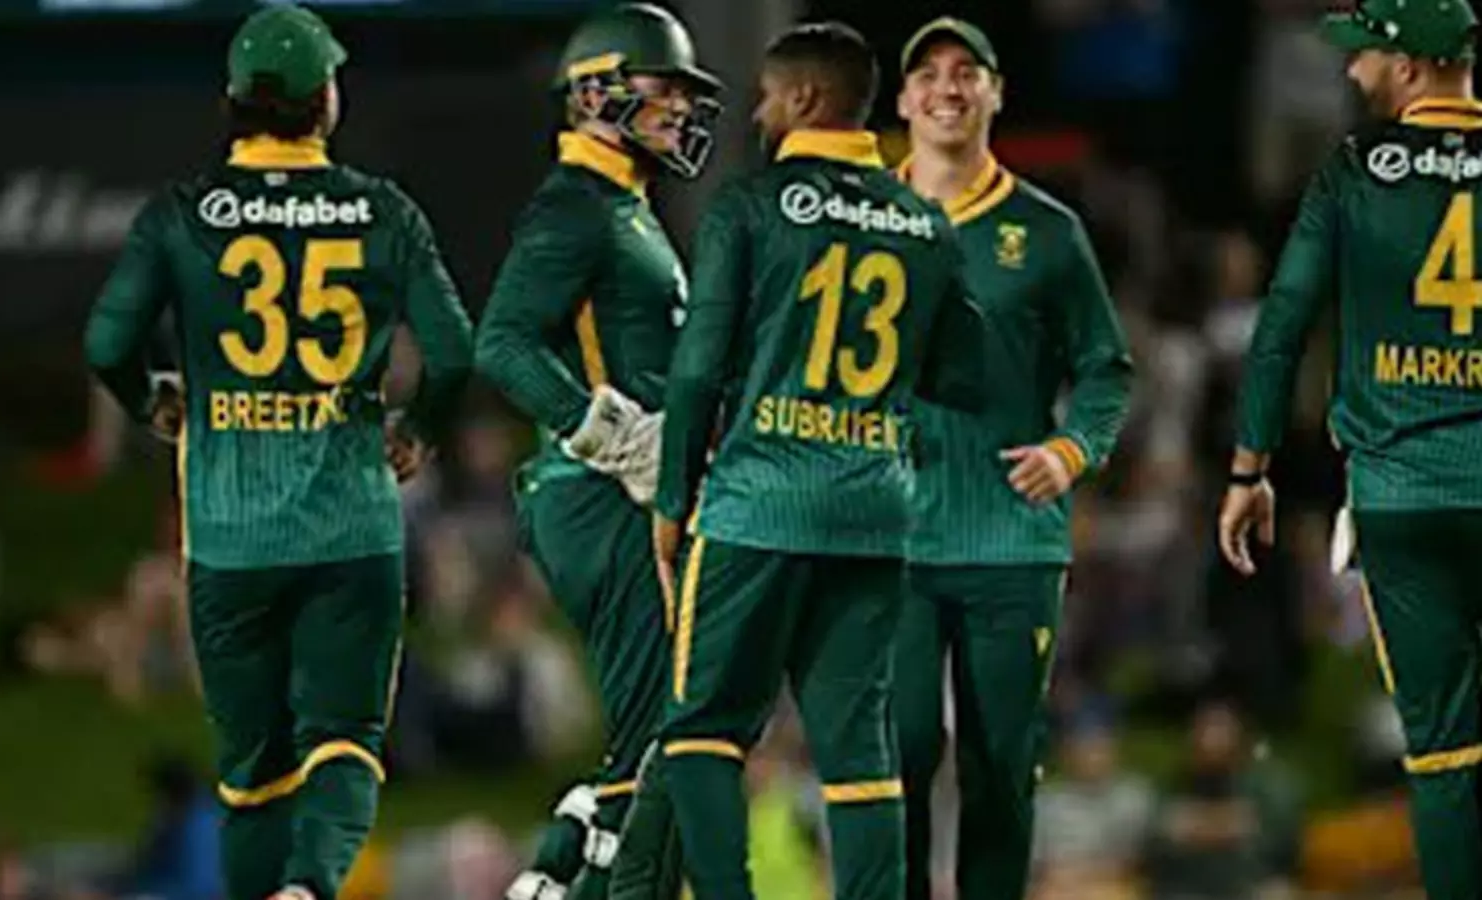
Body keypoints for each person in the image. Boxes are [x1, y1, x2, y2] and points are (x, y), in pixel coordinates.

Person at [82, 6, 474, 899]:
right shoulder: (385, 212)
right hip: (351, 526)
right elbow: (454, 353)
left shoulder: (181, 216)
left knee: (252, 775)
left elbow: (107, 343)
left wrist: (151, 401)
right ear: (325, 100)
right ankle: (310, 886)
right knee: (345, 742)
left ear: (233, 101)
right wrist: (418, 429)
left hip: (229, 538)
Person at [637, 21, 988, 900]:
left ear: (802, 98)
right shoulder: (925, 223)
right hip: (873, 512)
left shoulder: (748, 207)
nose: (758, 113)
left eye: (765, 96)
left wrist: (672, 498)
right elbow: (967, 374)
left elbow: (698, 367)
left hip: (758, 504)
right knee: (858, 742)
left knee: (703, 729)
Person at [1218, 1, 1482, 898]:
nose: (1349, 67)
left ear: (1409, 67)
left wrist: (1249, 468)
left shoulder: (1354, 168)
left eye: (1365, 52)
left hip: (1400, 493)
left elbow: (1283, 324)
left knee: (1445, 750)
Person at [471, 4, 723, 899]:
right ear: (593, 94)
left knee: (671, 732)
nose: (680, 107)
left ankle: (560, 867)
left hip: (618, 494)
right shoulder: (577, 205)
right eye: (664, 87)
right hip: (600, 493)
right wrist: (615, 436)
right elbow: (502, 343)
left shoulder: (623, 206)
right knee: (675, 738)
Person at [889, 17, 1134, 900]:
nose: (947, 88)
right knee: (897, 754)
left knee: (1000, 765)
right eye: (928, 73)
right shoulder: (861, 219)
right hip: (888, 536)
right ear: (903, 99)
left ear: (996, 93)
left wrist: (1073, 449)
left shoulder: (1048, 231)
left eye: (967, 72)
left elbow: (1107, 367)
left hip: (1010, 539)